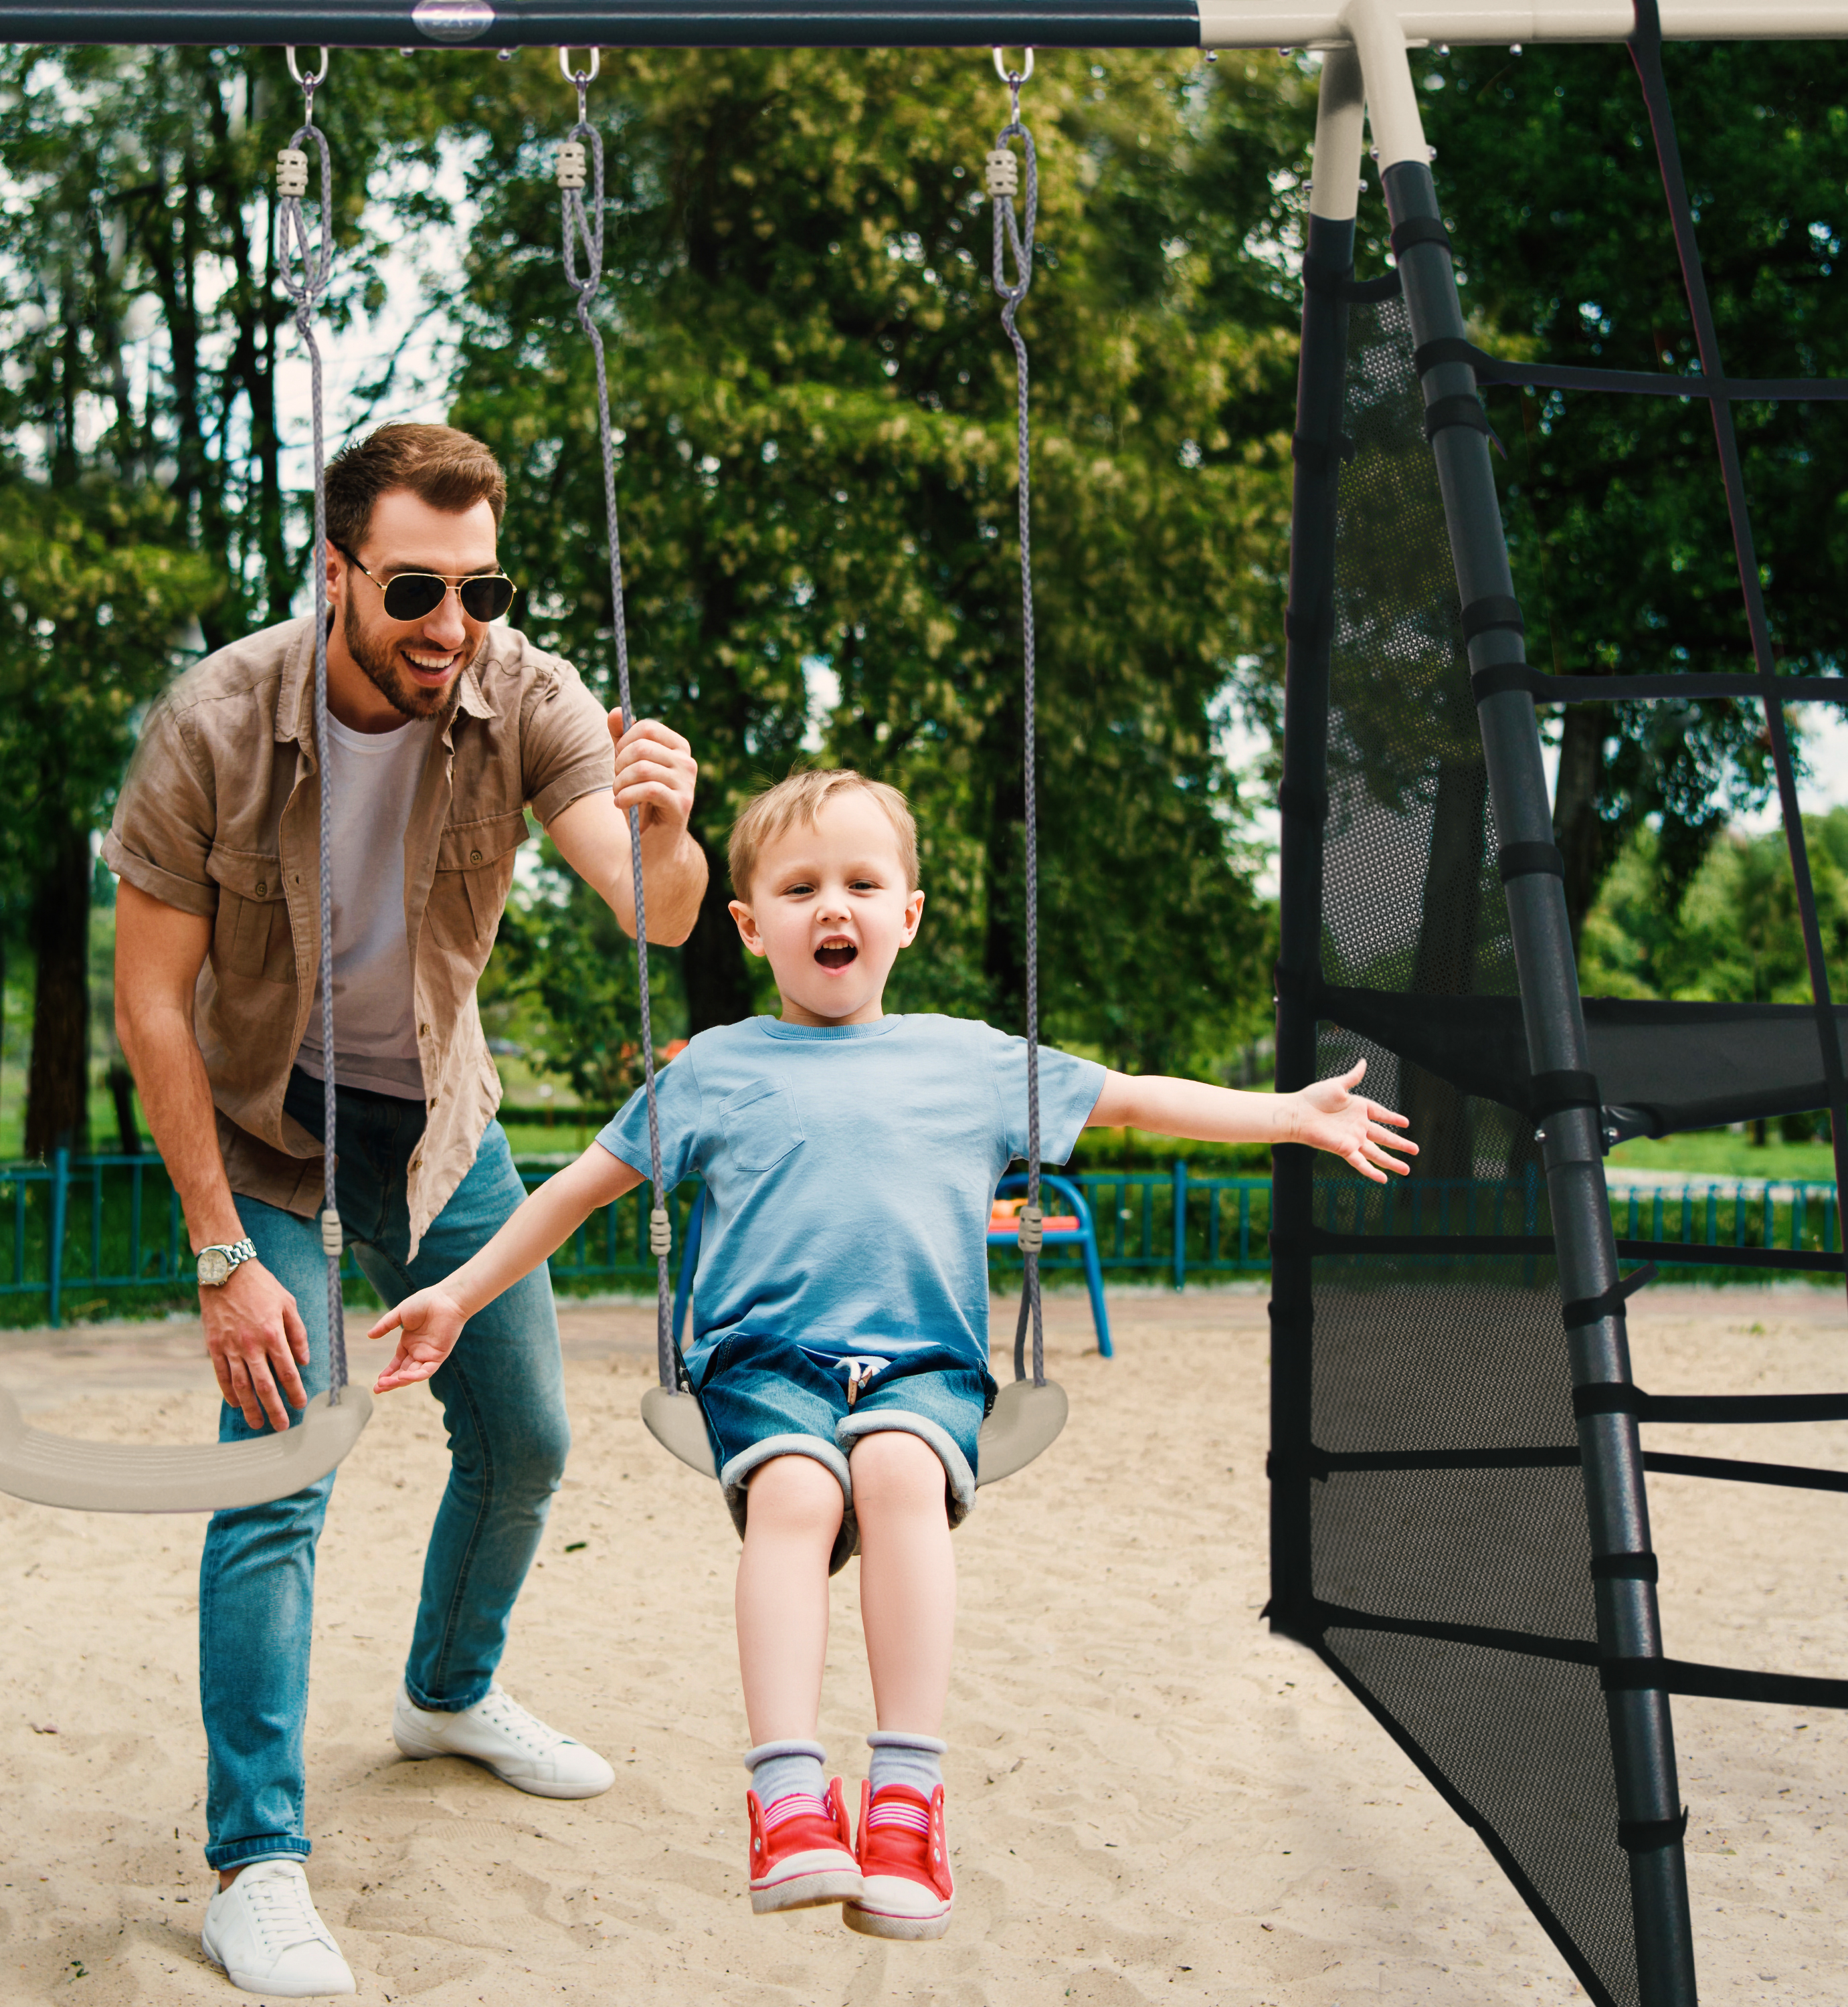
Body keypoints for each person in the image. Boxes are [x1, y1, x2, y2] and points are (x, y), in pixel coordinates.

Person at [364, 768, 1414, 1944]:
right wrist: (455, 1293)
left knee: (902, 1476)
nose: (836, 907)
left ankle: (907, 1795)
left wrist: (1287, 1114)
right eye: (802, 886)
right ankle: (788, 1794)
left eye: (864, 883)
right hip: (762, 1363)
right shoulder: (714, 1068)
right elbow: (573, 1191)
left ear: (907, 915)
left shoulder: (968, 1060)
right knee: (800, 1495)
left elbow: (1132, 1099)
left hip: (925, 1365)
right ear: (752, 924)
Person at [105, 422, 707, 1999]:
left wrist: (669, 821)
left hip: (439, 1122)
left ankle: (448, 1692)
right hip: (260, 1130)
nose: (453, 623)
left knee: (528, 1439)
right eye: (419, 589)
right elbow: (152, 1005)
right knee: (286, 1467)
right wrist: (222, 1253)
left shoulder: (527, 692)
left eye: (483, 587)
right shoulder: (218, 719)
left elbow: (652, 909)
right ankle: (257, 1860)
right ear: (339, 571)